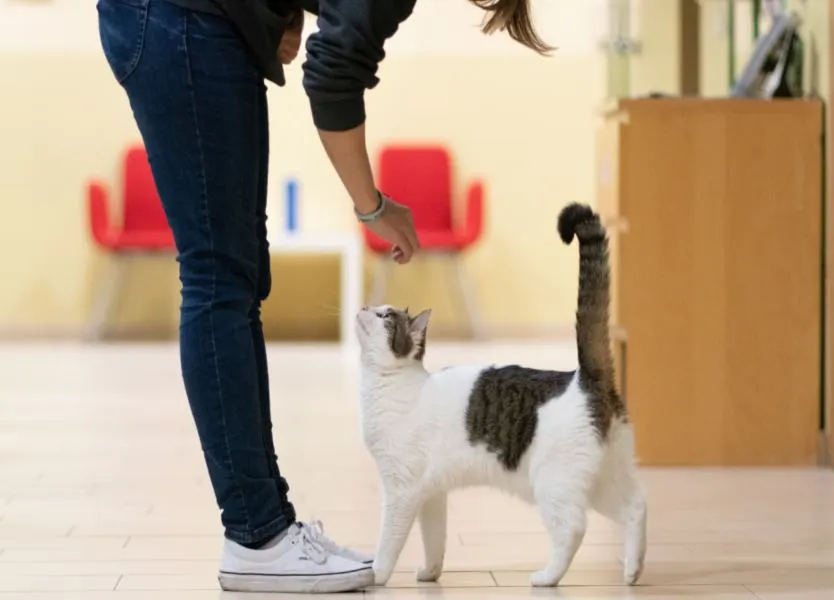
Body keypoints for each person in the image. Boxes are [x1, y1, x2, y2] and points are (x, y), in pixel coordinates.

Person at [95, 0, 552, 592]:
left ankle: (266, 527)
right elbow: (334, 72)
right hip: (182, 23)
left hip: (185, 22)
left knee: (233, 279)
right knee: (219, 281)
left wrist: (277, 11)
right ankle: (257, 536)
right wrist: (374, 207)